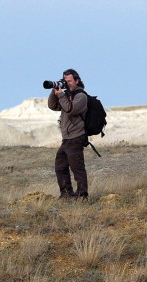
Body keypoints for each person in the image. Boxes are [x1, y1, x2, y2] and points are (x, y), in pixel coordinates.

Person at [48, 68, 89, 200]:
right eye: (65, 81)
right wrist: (55, 90)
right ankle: (66, 194)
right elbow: (53, 106)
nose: (67, 83)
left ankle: (82, 196)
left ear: (76, 80)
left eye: (69, 81)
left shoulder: (81, 96)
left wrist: (61, 95)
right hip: (66, 139)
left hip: (76, 137)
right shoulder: (67, 96)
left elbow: (70, 109)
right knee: (60, 167)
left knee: (77, 168)